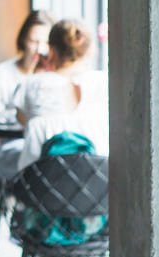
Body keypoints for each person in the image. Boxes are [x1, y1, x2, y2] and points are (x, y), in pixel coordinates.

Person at [14, 18, 108, 171]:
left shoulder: (32, 84)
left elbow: (22, 120)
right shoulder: (103, 83)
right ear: (89, 52)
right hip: (97, 183)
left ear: (51, 51)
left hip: (41, 184)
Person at [0, 9, 54, 123]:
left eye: (45, 42)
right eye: (33, 41)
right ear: (23, 39)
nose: (39, 49)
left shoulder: (53, 77)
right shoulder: (1, 73)